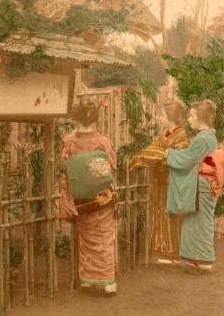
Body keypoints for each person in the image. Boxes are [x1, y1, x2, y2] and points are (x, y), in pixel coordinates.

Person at [60, 99, 118, 294]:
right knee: (103, 236)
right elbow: (112, 165)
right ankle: (108, 282)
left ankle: (88, 280)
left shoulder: (68, 142)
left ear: (75, 118)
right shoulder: (102, 141)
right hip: (101, 197)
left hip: (81, 198)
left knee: (86, 237)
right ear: (95, 118)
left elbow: (64, 168)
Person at [165, 100, 224, 271]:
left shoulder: (204, 138)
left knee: (200, 221)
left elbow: (188, 159)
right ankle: (194, 258)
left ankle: (204, 260)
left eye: (192, 115)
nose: (189, 119)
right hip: (202, 183)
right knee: (194, 221)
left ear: (201, 118)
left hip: (204, 185)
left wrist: (169, 153)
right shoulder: (205, 136)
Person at [129, 99, 189, 263]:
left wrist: (159, 154)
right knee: (161, 214)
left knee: (171, 215)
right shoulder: (166, 135)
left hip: (172, 181)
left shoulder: (181, 136)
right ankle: (164, 250)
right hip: (161, 180)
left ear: (170, 117)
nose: (159, 117)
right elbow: (152, 150)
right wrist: (152, 154)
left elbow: (177, 157)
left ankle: (172, 253)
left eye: (162, 114)